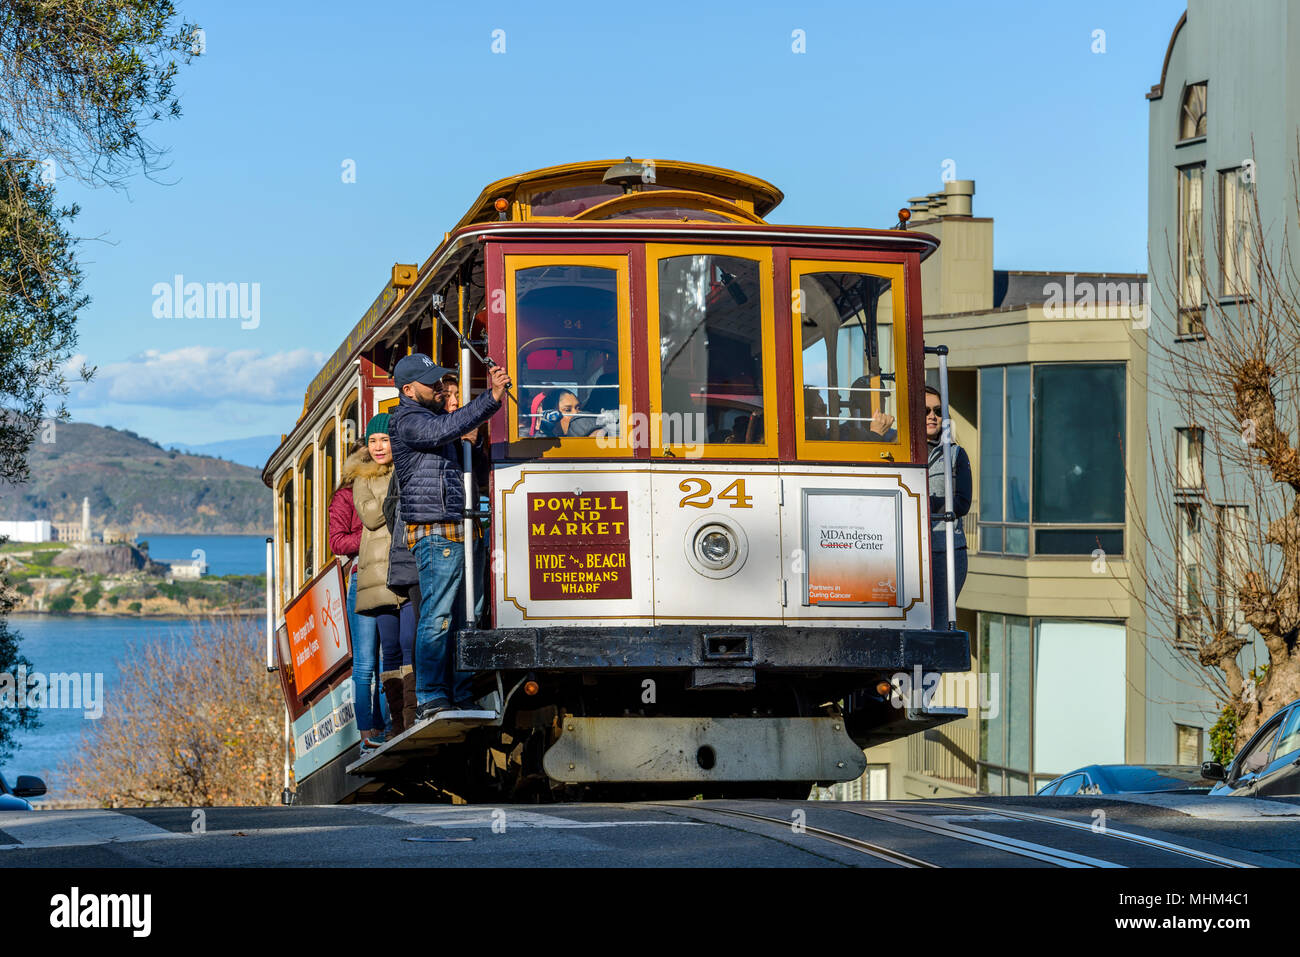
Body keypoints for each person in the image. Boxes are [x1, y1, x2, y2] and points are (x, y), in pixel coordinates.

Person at [389, 353, 508, 720]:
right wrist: (489, 399)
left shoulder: (437, 421)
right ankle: (430, 696)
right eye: (432, 383)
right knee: (438, 617)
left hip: (461, 527)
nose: (440, 387)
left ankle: (459, 692)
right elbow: (440, 431)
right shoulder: (406, 420)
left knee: (464, 617)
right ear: (408, 390)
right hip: (436, 531)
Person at [346, 413, 417, 741]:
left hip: (407, 563)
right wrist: (396, 489)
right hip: (378, 574)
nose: (378, 447)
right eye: (372, 441)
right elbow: (373, 517)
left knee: (410, 642)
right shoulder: (362, 478)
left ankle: (413, 714)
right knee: (389, 646)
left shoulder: (408, 466)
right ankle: (398, 724)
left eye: (384, 440)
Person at [328, 442, 387, 750]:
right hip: (361, 577)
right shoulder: (344, 497)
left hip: (388, 577)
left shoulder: (387, 486)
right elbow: (336, 542)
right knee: (366, 664)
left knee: (389, 657)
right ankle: (368, 731)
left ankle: (388, 726)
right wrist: (372, 537)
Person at [925, 385, 972, 630]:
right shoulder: (896, 451)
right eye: (925, 410)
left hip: (946, 553)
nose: (932, 416)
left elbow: (963, 501)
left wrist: (922, 503)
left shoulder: (956, 454)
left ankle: (932, 671)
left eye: (937, 410)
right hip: (907, 553)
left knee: (939, 626)